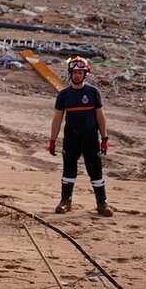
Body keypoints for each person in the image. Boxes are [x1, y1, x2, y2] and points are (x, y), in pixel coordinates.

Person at [48, 57, 113, 217]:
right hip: (71, 137)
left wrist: (104, 139)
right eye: (75, 73)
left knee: (95, 171)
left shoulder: (93, 92)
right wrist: (52, 140)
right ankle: (65, 202)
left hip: (90, 137)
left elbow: (100, 116)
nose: (77, 75)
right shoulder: (64, 95)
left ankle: (102, 204)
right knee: (69, 170)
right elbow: (57, 118)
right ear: (70, 74)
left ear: (85, 74)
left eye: (80, 72)